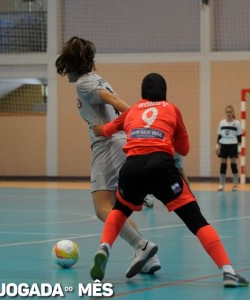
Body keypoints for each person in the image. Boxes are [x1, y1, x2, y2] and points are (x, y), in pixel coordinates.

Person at [90, 73, 249, 287]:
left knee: (119, 210)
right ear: (164, 92)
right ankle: (228, 272)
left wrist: (101, 128)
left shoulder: (132, 110)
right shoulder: (172, 109)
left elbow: (107, 130)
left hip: (132, 168)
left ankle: (104, 248)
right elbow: (184, 149)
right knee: (196, 221)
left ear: (142, 92)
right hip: (161, 167)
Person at [55, 36, 161, 277]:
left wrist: (141, 118)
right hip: (118, 143)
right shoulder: (97, 79)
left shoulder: (84, 83)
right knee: (116, 209)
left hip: (107, 145)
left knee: (102, 208)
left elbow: (114, 101)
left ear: (70, 64)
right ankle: (149, 257)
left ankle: (141, 246)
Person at [216, 105, 242, 191]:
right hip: (223, 144)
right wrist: (217, 146)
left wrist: (239, 148)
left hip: (233, 144)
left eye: (230, 112)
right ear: (225, 112)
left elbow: (239, 137)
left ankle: (235, 185)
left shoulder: (237, 123)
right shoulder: (222, 123)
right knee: (223, 164)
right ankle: (221, 184)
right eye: (227, 112)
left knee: (233, 164)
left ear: (233, 112)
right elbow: (219, 135)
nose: (228, 113)